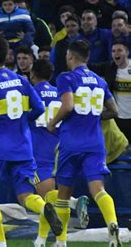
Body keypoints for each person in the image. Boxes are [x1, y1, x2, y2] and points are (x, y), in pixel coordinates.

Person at [0, 35, 62, 247]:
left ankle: (1, 245)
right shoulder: (21, 80)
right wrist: (23, 120)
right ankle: (43, 208)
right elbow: (39, 108)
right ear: (7, 56)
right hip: (23, 145)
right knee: (25, 194)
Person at [47, 39, 121, 247]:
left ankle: (61, 243)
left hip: (71, 142)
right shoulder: (100, 81)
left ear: (70, 55)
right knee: (99, 190)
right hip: (95, 142)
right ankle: (112, 224)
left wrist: (53, 122)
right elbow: (114, 111)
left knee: (63, 195)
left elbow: (68, 105)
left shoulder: (66, 77)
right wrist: (95, 116)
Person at [29, 60, 89, 247]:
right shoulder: (59, 93)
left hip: (39, 151)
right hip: (60, 149)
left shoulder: (32, 93)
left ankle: (74, 202)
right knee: (53, 202)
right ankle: (46, 241)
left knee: (48, 200)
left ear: (33, 74)